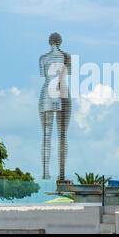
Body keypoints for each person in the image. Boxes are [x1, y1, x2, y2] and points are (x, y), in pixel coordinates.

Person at [39, 33, 72, 180]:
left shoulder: (43, 58)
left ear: (49, 42)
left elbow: (43, 75)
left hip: (46, 93)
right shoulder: (66, 57)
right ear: (61, 41)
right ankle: (62, 173)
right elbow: (67, 74)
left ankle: (45, 172)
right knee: (62, 135)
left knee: (46, 135)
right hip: (62, 93)